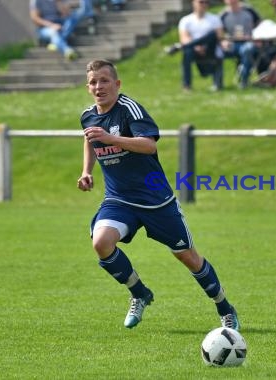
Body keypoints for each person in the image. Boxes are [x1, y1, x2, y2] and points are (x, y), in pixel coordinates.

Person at [77, 59, 240, 330]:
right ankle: (139, 293)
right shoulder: (88, 115)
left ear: (117, 84)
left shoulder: (130, 110)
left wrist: (112, 138)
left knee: (188, 257)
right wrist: (86, 170)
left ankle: (225, 308)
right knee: (101, 243)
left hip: (156, 201)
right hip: (118, 199)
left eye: (104, 80)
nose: (99, 86)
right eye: (93, 82)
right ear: (87, 87)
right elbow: (90, 137)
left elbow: (149, 145)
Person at [171, 0, 224, 92]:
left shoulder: (215, 19)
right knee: (187, 53)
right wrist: (196, 47)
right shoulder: (186, 20)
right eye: (201, 2)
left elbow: (219, 37)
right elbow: (184, 38)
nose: (204, 4)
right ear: (194, 3)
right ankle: (187, 86)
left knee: (212, 35)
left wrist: (203, 46)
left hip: (210, 48)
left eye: (206, 2)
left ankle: (179, 47)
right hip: (193, 50)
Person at [219, 0, 261, 89]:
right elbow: (219, 32)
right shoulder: (223, 15)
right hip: (232, 43)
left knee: (247, 49)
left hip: (248, 42)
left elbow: (260, 25)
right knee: (217, 52)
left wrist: (255, 36)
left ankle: (244, 80)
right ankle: (218, 82)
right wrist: (223, 41)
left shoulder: (249, 10)